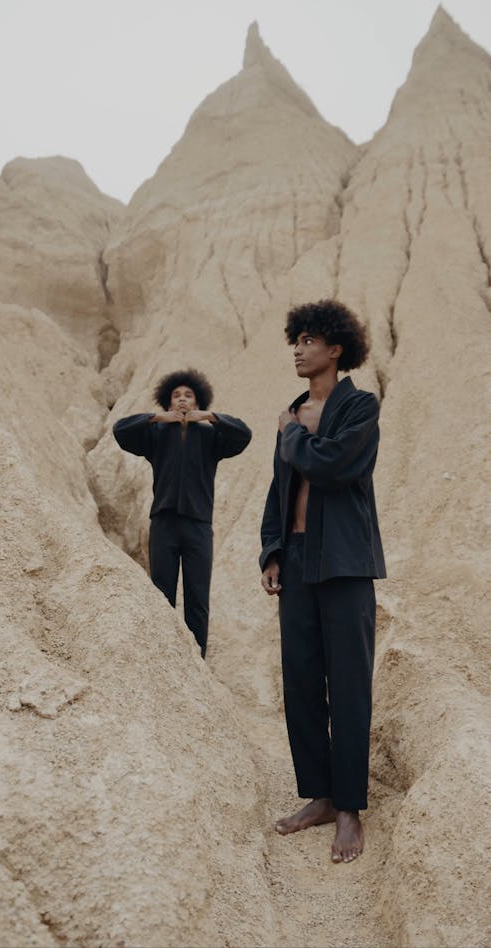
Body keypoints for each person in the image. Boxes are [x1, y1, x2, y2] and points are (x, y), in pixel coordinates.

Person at [260, 299, 386, 863]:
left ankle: (350, 807)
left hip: (347, 561)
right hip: (300, 558)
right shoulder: (291, 410)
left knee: (350, 684)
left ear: (336, 349)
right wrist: (272, 550)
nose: (297, 349)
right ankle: (319, 795)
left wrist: (291, 436)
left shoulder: (359, 406)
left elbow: (335, 466)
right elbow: (278, 492)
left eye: (309, 340)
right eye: (296, 340)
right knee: (303, 681)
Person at [114, 368, 251, 657]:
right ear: (168, 401)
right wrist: (155, 417)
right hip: (163, 523)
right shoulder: (156, 434)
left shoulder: (211, 437)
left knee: (197, 600)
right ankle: (162, 659)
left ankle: (196, 663)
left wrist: (211, 417)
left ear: (198, 401)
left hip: (199, 527)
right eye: (176, 395)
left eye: (188, 395)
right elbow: (120, 431)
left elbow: (244, 435)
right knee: (161, 595)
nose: (182, 400)